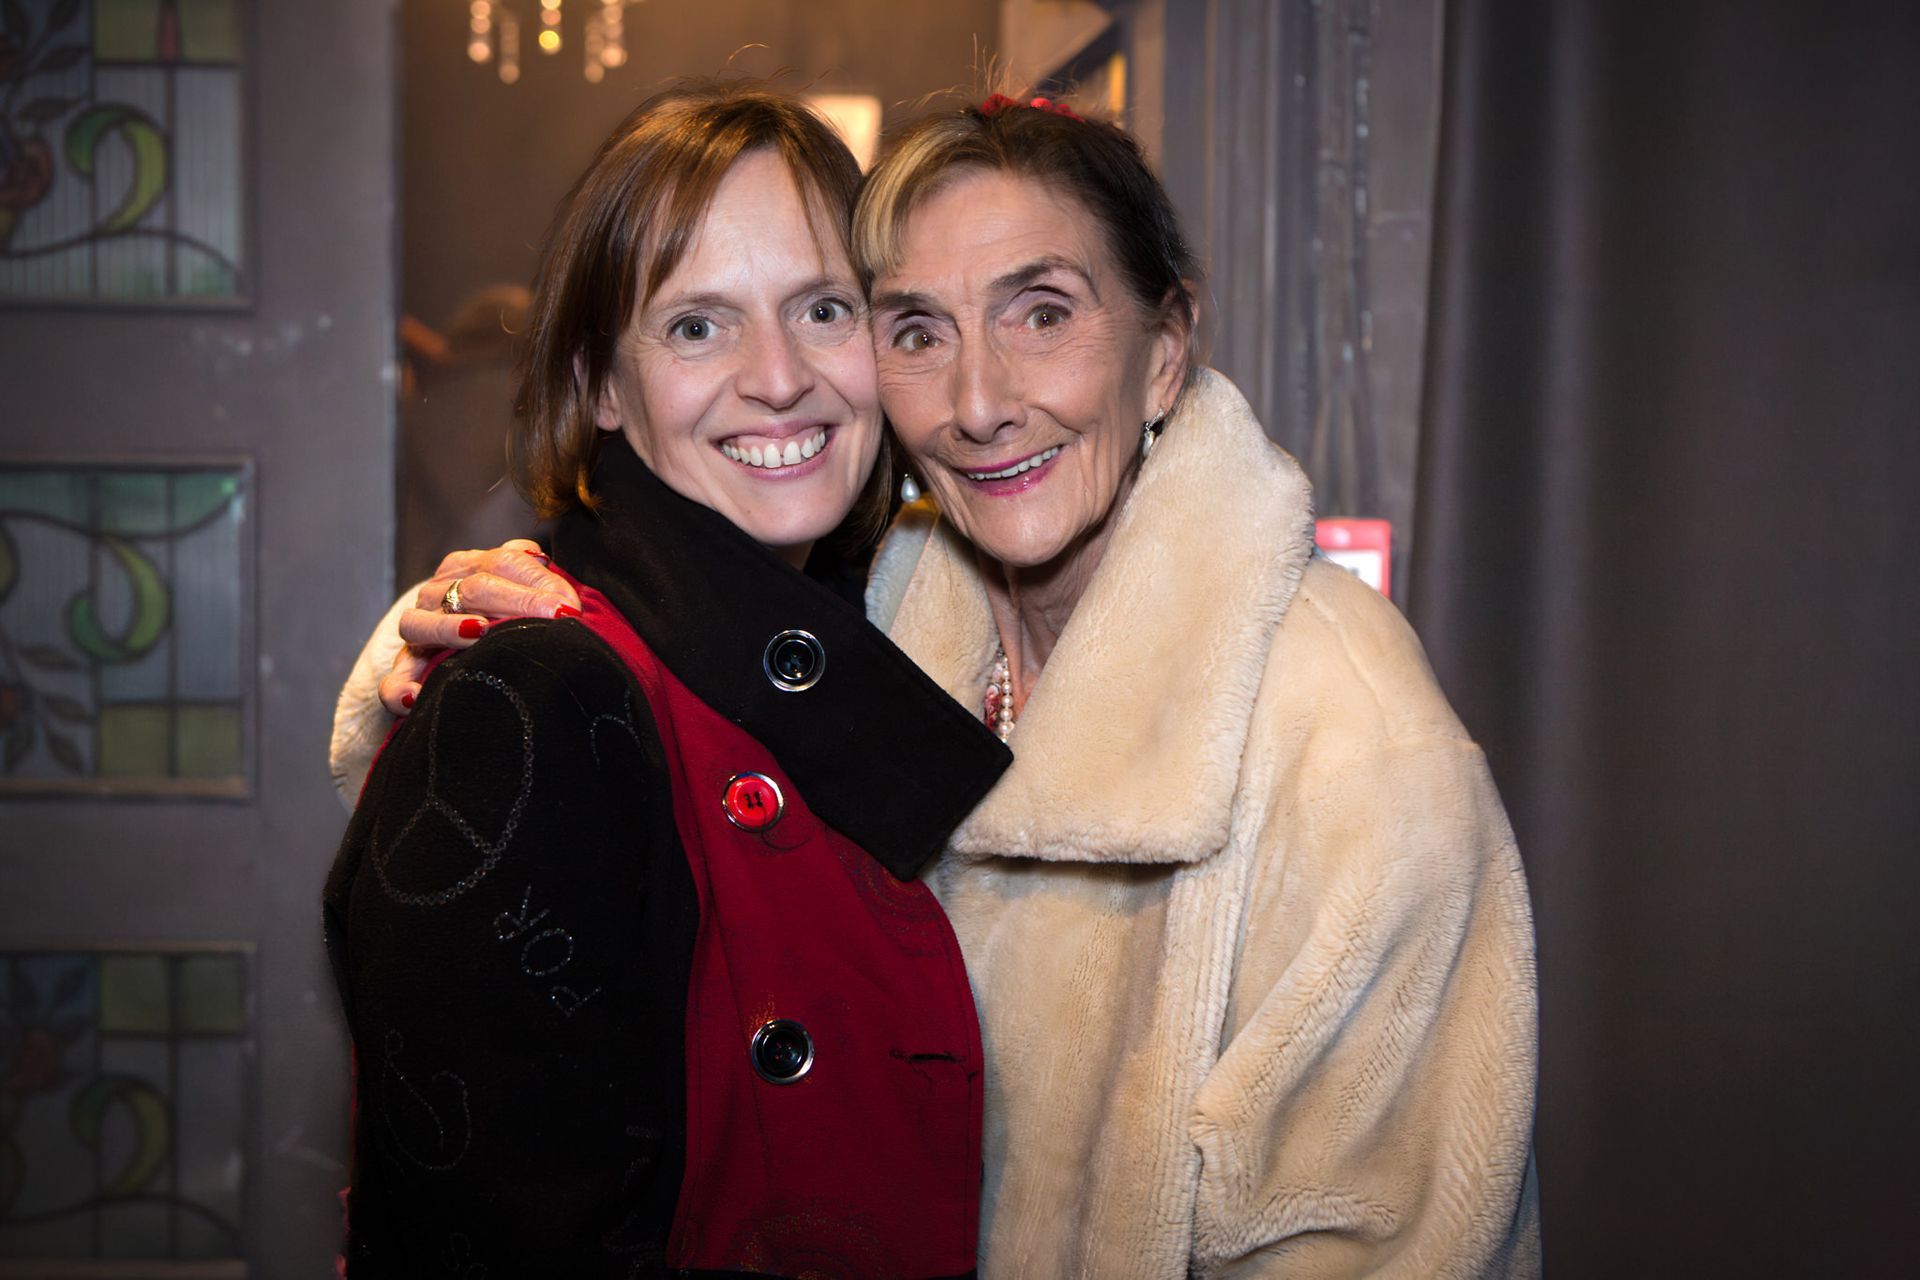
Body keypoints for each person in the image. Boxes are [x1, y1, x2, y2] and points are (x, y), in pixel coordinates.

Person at [337, 94, 1539, 1278]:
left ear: (1165, 351)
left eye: (1042, 313)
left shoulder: (1357, 749)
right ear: (604, 383)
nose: (977, 400)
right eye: (918, 329)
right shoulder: (888, 617)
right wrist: (456, 653)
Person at [323, 83, 1009, 1277]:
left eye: (823, 309)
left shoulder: (885, 646)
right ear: (597, 383)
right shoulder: (541, 695)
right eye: (699, 325)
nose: (781, 376)